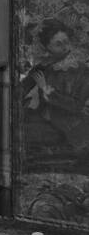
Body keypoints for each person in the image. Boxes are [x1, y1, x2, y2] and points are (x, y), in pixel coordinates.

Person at [19, 18, 89, 158]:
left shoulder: (81, 70)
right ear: (47, 47)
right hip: (45, 119)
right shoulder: (43, 67)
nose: (65, 47)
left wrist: (48, 92)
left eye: (66, 42)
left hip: (72, 126)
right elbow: (20, 91)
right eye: (58, 44)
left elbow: (76, 106)